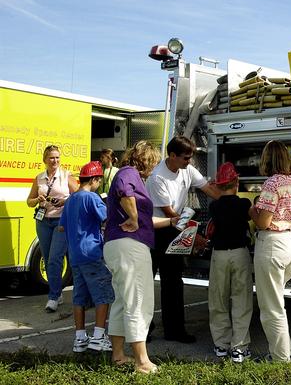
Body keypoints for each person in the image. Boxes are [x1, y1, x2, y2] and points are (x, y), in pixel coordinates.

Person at [103, 140, 177, 374]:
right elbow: (125, 192)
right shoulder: (129, 173)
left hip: (117, 245)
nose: (155, 167)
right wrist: (134, 218)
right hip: (131, 247)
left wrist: (173, 221)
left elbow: (146, 220)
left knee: (122, 301)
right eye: (154, 162)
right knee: (139, 301)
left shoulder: (131, 176)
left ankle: (118, 355)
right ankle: (142, 361)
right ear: (146, 160)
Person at [145, 136, 220, 343]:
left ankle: (174, 330)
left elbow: (208, 189)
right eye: (186, 158)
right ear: (172, 156)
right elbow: (170, 214)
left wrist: (230, 201)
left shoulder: (187, 169)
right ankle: (143, 331)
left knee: (174, 282)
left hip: (175, 226)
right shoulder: (157, 177)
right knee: (146, 282)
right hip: (157, 230)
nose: (189, 162)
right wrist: (194, 237)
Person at [249, 140, 291, 362]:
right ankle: (281, 353)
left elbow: (263, 222)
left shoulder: (271, 184)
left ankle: (280, 358)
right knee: (277, 301)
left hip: (272, 244)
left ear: (267, 159)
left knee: (272, 307)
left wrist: (252, 210)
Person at [58, 161, 113, 353]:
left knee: (79, 297)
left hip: (75, 255)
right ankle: (98, 337)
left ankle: (80, 338)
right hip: (91, 253)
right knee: (103, 294)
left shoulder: (71, 200)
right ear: (96, 179)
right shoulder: (92, 197)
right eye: (99, 180)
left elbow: (62, 226)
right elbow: (107, 218)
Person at [207, 162, 253, 362]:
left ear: (218, 185)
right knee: (241, 300)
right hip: (240, 253)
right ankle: (239, 347)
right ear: (236, 182)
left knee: (218, 300)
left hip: (219, 255)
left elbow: (220, 200)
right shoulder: (244, 204)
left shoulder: (213, 206)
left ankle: (221, 345)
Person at [26, 144, 79, 312]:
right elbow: (29, 201)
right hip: (43, 221)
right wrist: (38, 199)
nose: (55, 160)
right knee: (48, 259)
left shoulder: (66, 176)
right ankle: (57, 291)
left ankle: (53, 297)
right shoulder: (39, 178)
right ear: (45, 160)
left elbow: (79, 196)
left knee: (55, 258)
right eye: (51, 157)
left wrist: (65, 201)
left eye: (57, 157)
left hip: (61, 222)